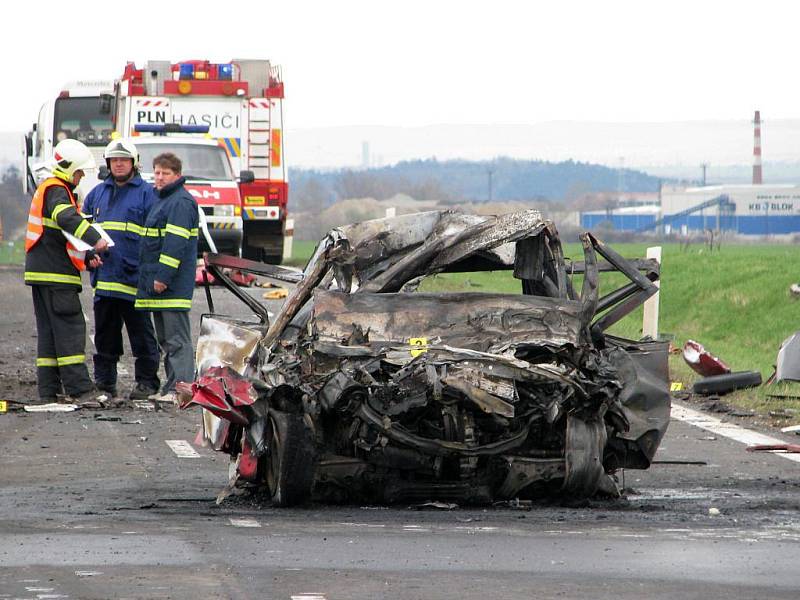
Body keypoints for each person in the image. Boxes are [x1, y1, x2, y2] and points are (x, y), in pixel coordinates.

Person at [24, 139, 109, 401]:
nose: (81, 177)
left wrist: (86, 258)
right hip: (56, 276)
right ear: (69, 169)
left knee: (49, 334)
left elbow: (58, 237)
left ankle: (49, 391)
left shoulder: (47, 188)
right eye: (80, 172)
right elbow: (66, 219)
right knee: (70, 330)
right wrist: (96, 238)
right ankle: (81, 390)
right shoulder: (57, 189)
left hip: (42, 273)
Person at [82, 139, 161, 400]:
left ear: (134, 163)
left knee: (142, 335)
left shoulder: (147, 194)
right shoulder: (96, 194)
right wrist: (89, 254)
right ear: (107, 163)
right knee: (105, 336)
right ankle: (105, 384)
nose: (118, 164)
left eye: (123, 160)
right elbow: (82, 233)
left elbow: (156, 237)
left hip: (134, 279)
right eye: (114, 160)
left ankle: (147, 383)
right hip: (105, 279)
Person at [135, 153, 199, 403]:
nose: (159, 178)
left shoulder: (180, 202)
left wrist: (162, 277)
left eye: (165, 173)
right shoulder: (163, 200)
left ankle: (181, 391)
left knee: (177, 341)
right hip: (159, 287)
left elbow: (174, 246)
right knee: (167, 341)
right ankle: (173, 388)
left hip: (170, 286)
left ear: (177, 175)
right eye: (157, 173)